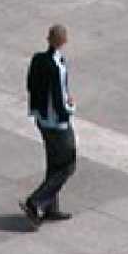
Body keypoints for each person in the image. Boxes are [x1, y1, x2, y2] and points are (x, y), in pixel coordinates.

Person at [21, 24, 77, 226]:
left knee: (54, 163)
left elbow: (30, 84)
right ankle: (36, 201)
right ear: (63, 41)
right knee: (68, 164)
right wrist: (70, 108)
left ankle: (49, 206)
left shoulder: (38, 59)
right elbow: (59, 98)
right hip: (57, 123)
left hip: (41, 119)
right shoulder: (57, 66)